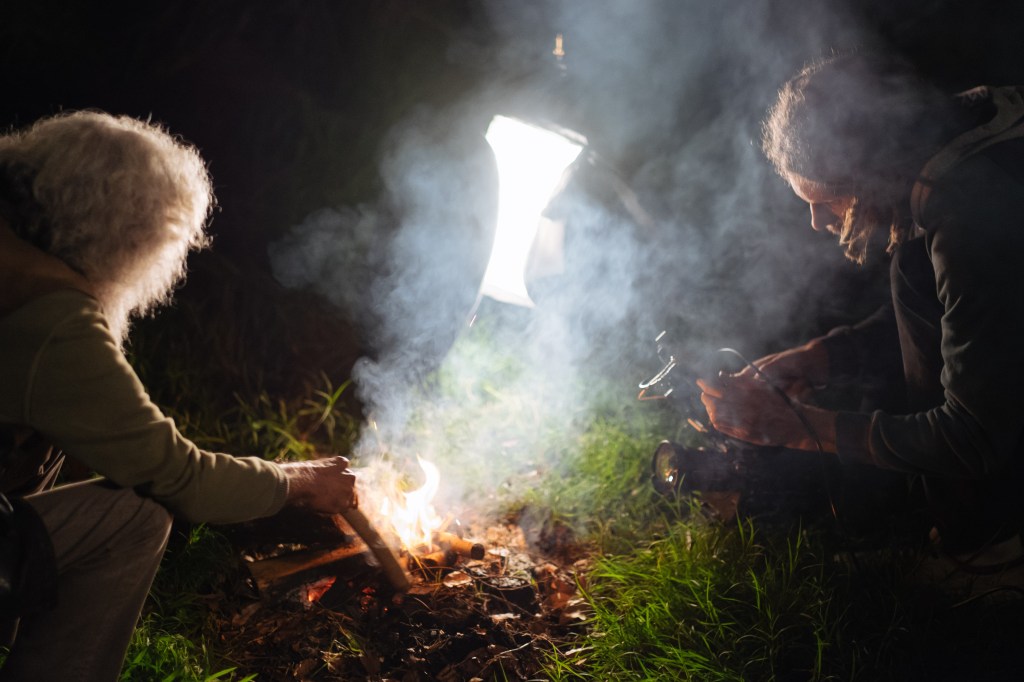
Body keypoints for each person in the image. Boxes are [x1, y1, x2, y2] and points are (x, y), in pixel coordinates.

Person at [0, 111, 360, 681]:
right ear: (129, 235)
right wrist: (298, 480)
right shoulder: (47, 314)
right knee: (134, 515)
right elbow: (180, 479)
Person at [697, 51, 1024, 563]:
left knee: (912, 273)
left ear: (873, 172)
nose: (817, 221)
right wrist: (822, 357)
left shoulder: (972, 219)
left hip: (991, 445)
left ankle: (992, 553)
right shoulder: (958, 136)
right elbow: (964, 322)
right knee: (912, 271)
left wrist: (798, 428)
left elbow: (973, 438)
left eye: (828, 200)